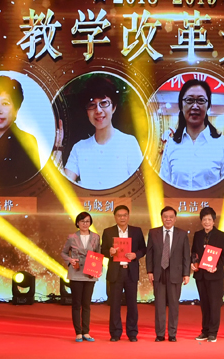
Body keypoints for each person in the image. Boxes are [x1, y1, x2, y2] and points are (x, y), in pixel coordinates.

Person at [60, 76, 143, 190]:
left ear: (114, 107)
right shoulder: (79, 148)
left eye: (104, 103)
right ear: (87, 112)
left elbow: (140, 187)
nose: (98, 110)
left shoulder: (129, 143)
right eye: (92, 105)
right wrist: (57, 149)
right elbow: (64, 188)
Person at [159, 79, 224, 191]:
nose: (195, 106)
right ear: (181, 105)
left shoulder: (223, 145)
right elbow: (163, 187)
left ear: (208, 105)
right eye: (189, 100)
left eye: (201, 100)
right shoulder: (171, 145)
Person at [101, 205, 146, 342]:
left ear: (128, 216)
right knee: (114, 304)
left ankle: (132, 333)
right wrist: (110, 252)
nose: (122, 218)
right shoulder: (108, 232)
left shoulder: (136, 231)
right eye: (119, 215)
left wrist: (135, 255)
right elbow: (103, 250)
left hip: (131, 271)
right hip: (116, 272)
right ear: (115, 217)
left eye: (124, 215)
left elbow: (143, 249)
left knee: (132, 304)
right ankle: (115, 333)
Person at [146, 206, 191, 342]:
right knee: (159, 305)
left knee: (174, 306)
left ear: (175, 218)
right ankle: (160, 334)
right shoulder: (153, 233)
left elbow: (186, 256)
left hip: (175, 274)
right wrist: (149, 271)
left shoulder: (182, 234)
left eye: (171, 217)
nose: (168, 219)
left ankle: (172, 334)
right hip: (158, 273)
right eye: (165, 217)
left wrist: (186, 273)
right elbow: (149, 253)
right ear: (161, 218)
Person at [191, 207, 224, 343]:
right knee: (204, 304)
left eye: (209, 219)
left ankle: (213, 332)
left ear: (214, 221)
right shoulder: (198, 235)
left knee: (214, 304)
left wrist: (216, 266)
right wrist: (193, 263)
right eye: (204, 219)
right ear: (201, 221)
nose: (206, 222)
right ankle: (205, 331)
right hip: (201, 275)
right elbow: (194, 253)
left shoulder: (220, 235)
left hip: (215, 276)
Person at [60, 212, 101, 342]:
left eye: (87, 221)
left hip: (90, 273)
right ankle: (78, 332)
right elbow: (64, 253)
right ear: (77, 223)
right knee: (76, 304)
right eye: (82, 221)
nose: (85, 224)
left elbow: (98, 254)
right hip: (76, 273)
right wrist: (70, 260)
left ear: (90, 223)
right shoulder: (72, 237)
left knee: (87, 304)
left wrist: (98, 269)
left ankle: (86, 332)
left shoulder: (96, 237)